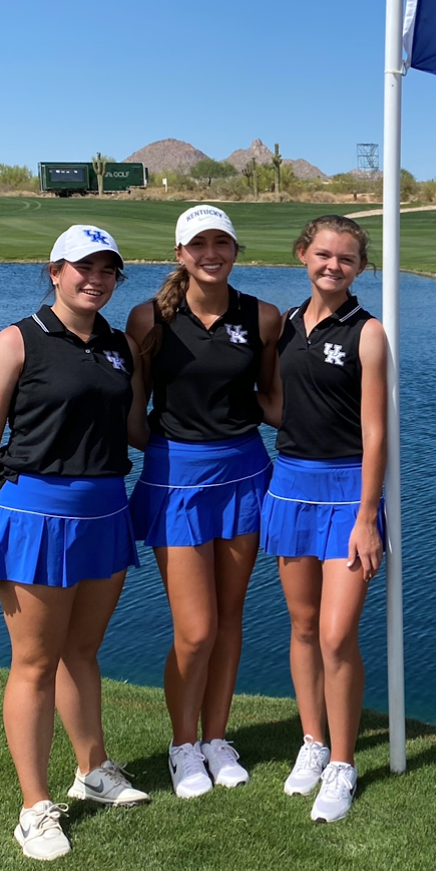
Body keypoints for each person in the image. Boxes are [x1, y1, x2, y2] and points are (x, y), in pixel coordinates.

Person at [0, 225, 151, 861]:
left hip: (105, 509)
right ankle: (34, 808)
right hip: (35, 512)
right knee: (36, 663)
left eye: (107, 270)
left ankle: (92, 770)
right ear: (55, 271)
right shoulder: (16, 341)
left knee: (84, 650)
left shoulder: (120, 345)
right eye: (82, 268)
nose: (94, 279)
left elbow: (134, 430)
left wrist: (212, 427)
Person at [126, 206, 283, 799]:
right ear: (180, 254)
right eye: (199, 244)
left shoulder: (263, 317)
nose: (211, 252)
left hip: (244, 471)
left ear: (235, 250)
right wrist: (169, 455)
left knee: (230, 618)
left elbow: (272, 398)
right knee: (195, 629)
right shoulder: (149, 318)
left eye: (222, 242)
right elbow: (134, 412)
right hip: (177, 481)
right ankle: (182, 744)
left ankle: (217, 738)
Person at [260, 215, 388, 824]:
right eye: (322, 254)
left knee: (338, 635)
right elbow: (280, 407)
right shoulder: (282, 327)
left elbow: (375, 430)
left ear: (360, 268)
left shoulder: (368, 333)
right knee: (304, 626)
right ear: (302, 255)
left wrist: (368, 516)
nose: (332, 265)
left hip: (347, 494)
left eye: (345, 258)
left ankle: (342, 763)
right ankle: (312, 742)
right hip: (289, 484)